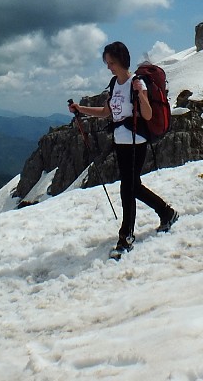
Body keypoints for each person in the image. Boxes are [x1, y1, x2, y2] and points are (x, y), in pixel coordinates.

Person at [71, 41, 178, 257]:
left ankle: (126, 237)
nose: (108, 66)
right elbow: (106, 112)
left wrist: (140, 94)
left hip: (136, 141)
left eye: (110, 62)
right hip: (121, 142)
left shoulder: (136, 83)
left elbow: (147, 115)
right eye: (108, 63)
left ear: (120, 61)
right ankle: (167, 213)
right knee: (133, 187)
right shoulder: (115, 84)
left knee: (127, 189)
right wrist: (80, 109)